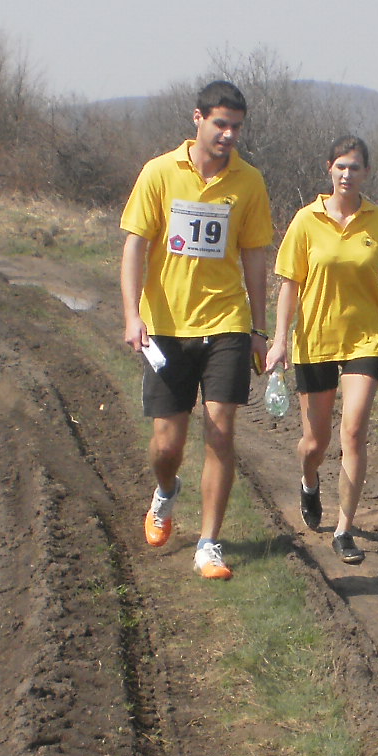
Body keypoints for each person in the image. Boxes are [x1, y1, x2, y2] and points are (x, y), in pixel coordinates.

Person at [120, 80, 275, 580]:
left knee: (221, 431)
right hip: (165, 326)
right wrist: (131, 315)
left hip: (225, 321)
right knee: (167, 445)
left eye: (237, 127)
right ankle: (165, 492)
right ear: (198, 119)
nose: (229, 135)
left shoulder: (249, 182)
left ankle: (209, 543)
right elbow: (135, 246)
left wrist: (257, 326)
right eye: (220, 124)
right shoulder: (160, 173)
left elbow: (255, 255)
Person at [265, 137, 378, 564]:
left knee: (355, 431)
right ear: (329, 169)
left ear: (366, 173)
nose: (347, 174)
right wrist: (279, 340)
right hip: (316, 341)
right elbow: (289, 283)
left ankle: (344, 529)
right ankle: (309, 482)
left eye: (355, 167)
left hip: (365, 339)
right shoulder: (306, 221)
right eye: (341, 166)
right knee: (315, 440)